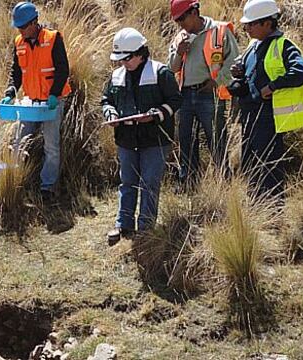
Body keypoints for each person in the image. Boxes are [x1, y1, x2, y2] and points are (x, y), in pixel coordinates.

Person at [230, 0, 303, 201]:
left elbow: (300, 72)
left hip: (268, 117)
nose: (247, 29)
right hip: (250, 116)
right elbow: (251, 75)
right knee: (250, 163)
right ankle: (256, 209)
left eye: (251, 24)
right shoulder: (253, 47)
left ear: (267, 23)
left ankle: (274, 212)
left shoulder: (283, 45)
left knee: (269, 166)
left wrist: (272, 86)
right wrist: (239, 73)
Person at [102, 28, 182, 244]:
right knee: (127, 182)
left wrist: (157, 114)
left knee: (149, 183)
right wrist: (110, 112)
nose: (123, 63)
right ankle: (124, 224)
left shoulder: (161, 72)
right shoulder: (117, 75)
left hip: (155, 139)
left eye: (127, 58)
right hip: (126, 139)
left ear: (140, 53)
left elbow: (175, 100)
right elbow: (106, 99)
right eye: (120, 59)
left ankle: (146, 228)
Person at [0, 1, 71, 199]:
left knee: (51, 145)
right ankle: (15, 182)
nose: (20, 30)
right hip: (30, 103)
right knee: (19, 142)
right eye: (18, 27)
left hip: (51, 102)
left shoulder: (53, 38)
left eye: (23, 27)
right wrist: (10, 92)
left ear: (34, 22)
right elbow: (16, 73)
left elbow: (63, 69)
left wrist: (54, 94)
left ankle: (47, 187)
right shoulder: (18, 42)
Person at [168, 0, 239, 189]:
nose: (179, 23)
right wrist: (179, 53)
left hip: (210, 95)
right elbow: (172, 68)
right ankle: (189, 183)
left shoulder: (219, 30)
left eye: (182, 18)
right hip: (185, 95)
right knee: (186, 140)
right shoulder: (180, 38)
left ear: (194, 12)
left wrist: (217, 81)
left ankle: (225, 184)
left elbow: (235, 60)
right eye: (176, 20)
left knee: (216, 140)